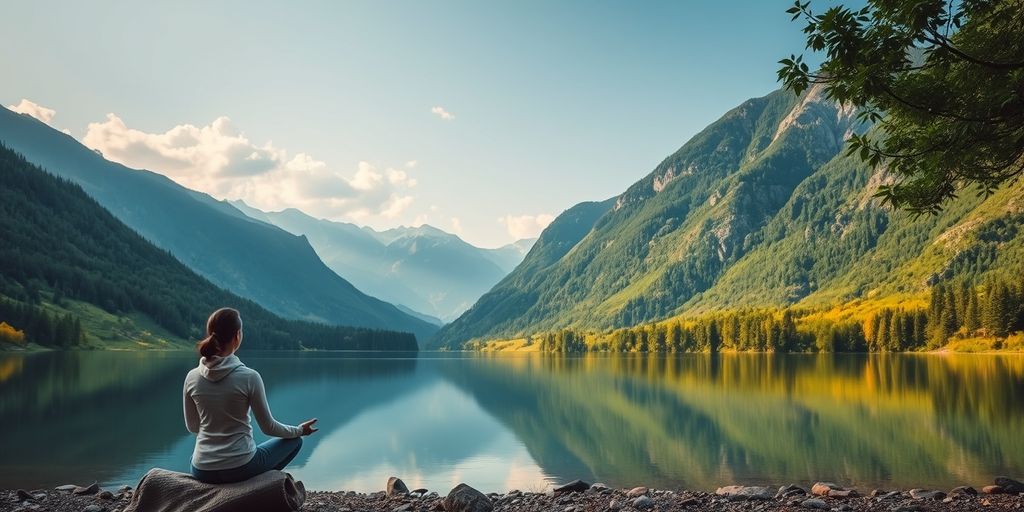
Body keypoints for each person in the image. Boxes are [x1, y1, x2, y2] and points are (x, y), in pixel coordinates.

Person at [183, 307, 317, 484]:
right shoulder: (249, 377)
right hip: (240, 467)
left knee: (198, 455)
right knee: (295, 442)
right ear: (237, 336)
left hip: (202, 470)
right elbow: (268, 427)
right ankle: (256, 489)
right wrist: (300, 430)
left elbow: (193, 427)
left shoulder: (192, 377)